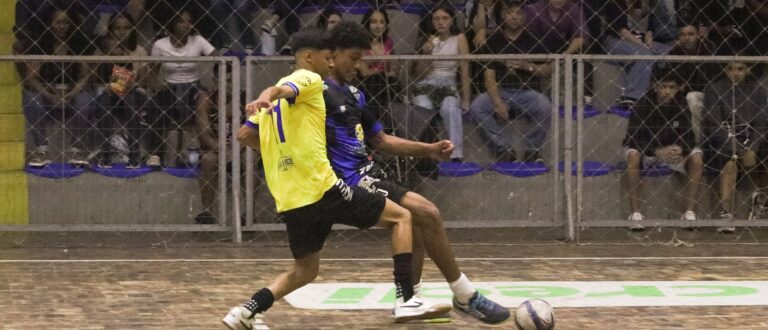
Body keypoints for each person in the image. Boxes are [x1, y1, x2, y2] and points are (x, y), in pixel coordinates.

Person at [222, 29, 445, 330]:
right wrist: (266, 95)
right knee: (403, 217)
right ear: (309, 57)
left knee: (305, 270)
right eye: (327, 58)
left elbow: (244, 134)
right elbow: (285, 89)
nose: (330, 65)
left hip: (291, 200)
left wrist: (285, 148)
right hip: (322, 189)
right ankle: (406, 299)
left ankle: (246, 311)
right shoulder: (309, 80)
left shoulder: (274, 105)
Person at [322, 21, 511, 324]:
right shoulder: (314, 91)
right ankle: (465, 296)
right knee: (429, 211)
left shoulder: (354, 95)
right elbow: (283, 94)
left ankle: (411, 300)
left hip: (367, 174)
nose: (358, 66)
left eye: (361, 59)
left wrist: (428, 148)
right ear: (331, 55)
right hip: (346, 183)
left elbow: (381, 140)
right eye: (353, 58)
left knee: (419, 221)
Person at [469, 0, 552, 163]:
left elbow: (549, 69)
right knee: (477, 106)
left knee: (545, 106)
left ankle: (532, 149)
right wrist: (498, 102)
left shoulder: (533, 39)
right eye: (510, 13)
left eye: (519, 13)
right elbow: (489, 77)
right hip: (502, 91)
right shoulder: (494, 40)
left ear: (524, 17)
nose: (514, 17)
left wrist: (526, 66)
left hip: (526, 92)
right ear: (503, 15)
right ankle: (503, 148)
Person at [622, 70, 702, 230]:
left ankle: (689, 213)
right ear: (655, 86)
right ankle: (636, 214)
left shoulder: (681, 104)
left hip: (673, 153)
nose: (667, 91)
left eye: (671, 87)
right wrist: (656, 151)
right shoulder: (643, 104)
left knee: (697, 157)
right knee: (632, 154)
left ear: (678, 88)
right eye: (663, 87)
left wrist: (681, 149)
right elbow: (633, 137)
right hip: (648, 152)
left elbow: (689, 136)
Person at [23, 8, 94, 167]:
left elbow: (85, 76)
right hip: (47, 94)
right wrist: (49, 95)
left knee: (85, 100)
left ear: (72, 25)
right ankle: (42, 150)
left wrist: (71, 94)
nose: (62, 26)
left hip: (71, 93)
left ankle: (77, 150)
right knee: (31, 99)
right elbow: (31, 78)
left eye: (66, 23)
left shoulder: (78, 45)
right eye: (58, 23)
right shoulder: (40, 44)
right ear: (49, 24)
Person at [702, 61, 768, 234]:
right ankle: (726, 213)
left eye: (740, 69)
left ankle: (762, 204)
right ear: (725, 70)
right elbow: (714, 126)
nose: (735, 73)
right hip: (721, 141)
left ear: (748, 70)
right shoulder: (714, 89)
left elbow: (761, 124)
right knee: (730, 161)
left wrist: (752, 148)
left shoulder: (758, 90)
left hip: (751, 140)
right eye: (731, 69)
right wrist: (740, 150)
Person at [147, 7, 216, 168]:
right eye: (181, 21)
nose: (186, 25)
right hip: (170, 86)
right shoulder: (160, 45)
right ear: (171, 24)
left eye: (189, 22)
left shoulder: (197, 41)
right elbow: (152, 72)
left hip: (194, 87)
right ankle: (155, 153)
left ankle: (206, 148)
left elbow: (218, 57)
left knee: (204, 99)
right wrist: (155, 88)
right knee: (154, 103)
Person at [410, 3, 471, 162]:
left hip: (448, 83)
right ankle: (424, 155)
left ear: (452, 20)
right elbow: (418, 75)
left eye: (445, 18)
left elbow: (465, 70)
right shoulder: (426, 39)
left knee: (450, 107)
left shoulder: (459, 39)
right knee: (422, 106)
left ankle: (456, 155)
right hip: (427, 83)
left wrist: (465, 99)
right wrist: (427, 54)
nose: (440, 22)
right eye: (436, 18)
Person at [91, 13, 149, 168]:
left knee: (130, 99)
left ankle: (134, 155)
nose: (122, 32)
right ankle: (105, 155)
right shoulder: (102, 50)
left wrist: (126, 84)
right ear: (110, 29)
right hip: (107, 93)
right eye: (118, 28)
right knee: (104, 101)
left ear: (133, 29)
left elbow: (143, 81)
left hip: (133, 94)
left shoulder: (139, 51)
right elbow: (95, 79)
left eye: (127, 28)